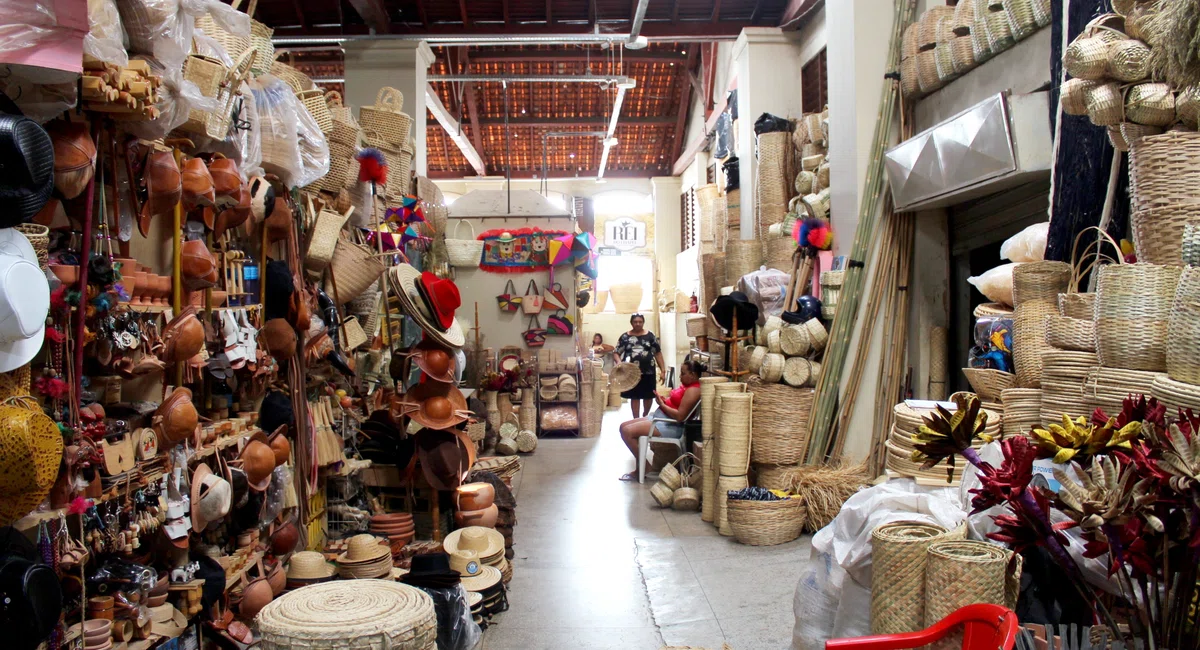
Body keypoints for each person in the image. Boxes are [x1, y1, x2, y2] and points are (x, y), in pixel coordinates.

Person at [617, 358, 704, 481]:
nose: (680, 376)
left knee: (627, 431)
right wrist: (665, 401)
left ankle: (644, 466)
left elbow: (680, 416)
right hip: (662, 418)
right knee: (622, 426)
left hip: (670, 425)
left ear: (693, 374)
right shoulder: (688, 386)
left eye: (683, 373)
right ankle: (641, 465)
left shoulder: (693, 390)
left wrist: (663, 405)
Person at [612, 314, 664, 419]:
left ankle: (645, 416)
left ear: (643, 322)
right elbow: (616, 352)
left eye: (640, 322)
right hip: (631, 373)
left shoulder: (650, 336)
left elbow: (657, 353)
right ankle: (636, 419)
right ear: (631, 323)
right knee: (634, 396)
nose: (638, 324)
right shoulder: (625, 337)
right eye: (635, 322)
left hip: (648, 371)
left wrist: (663, 370)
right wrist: (619, 363)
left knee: (648, 395)